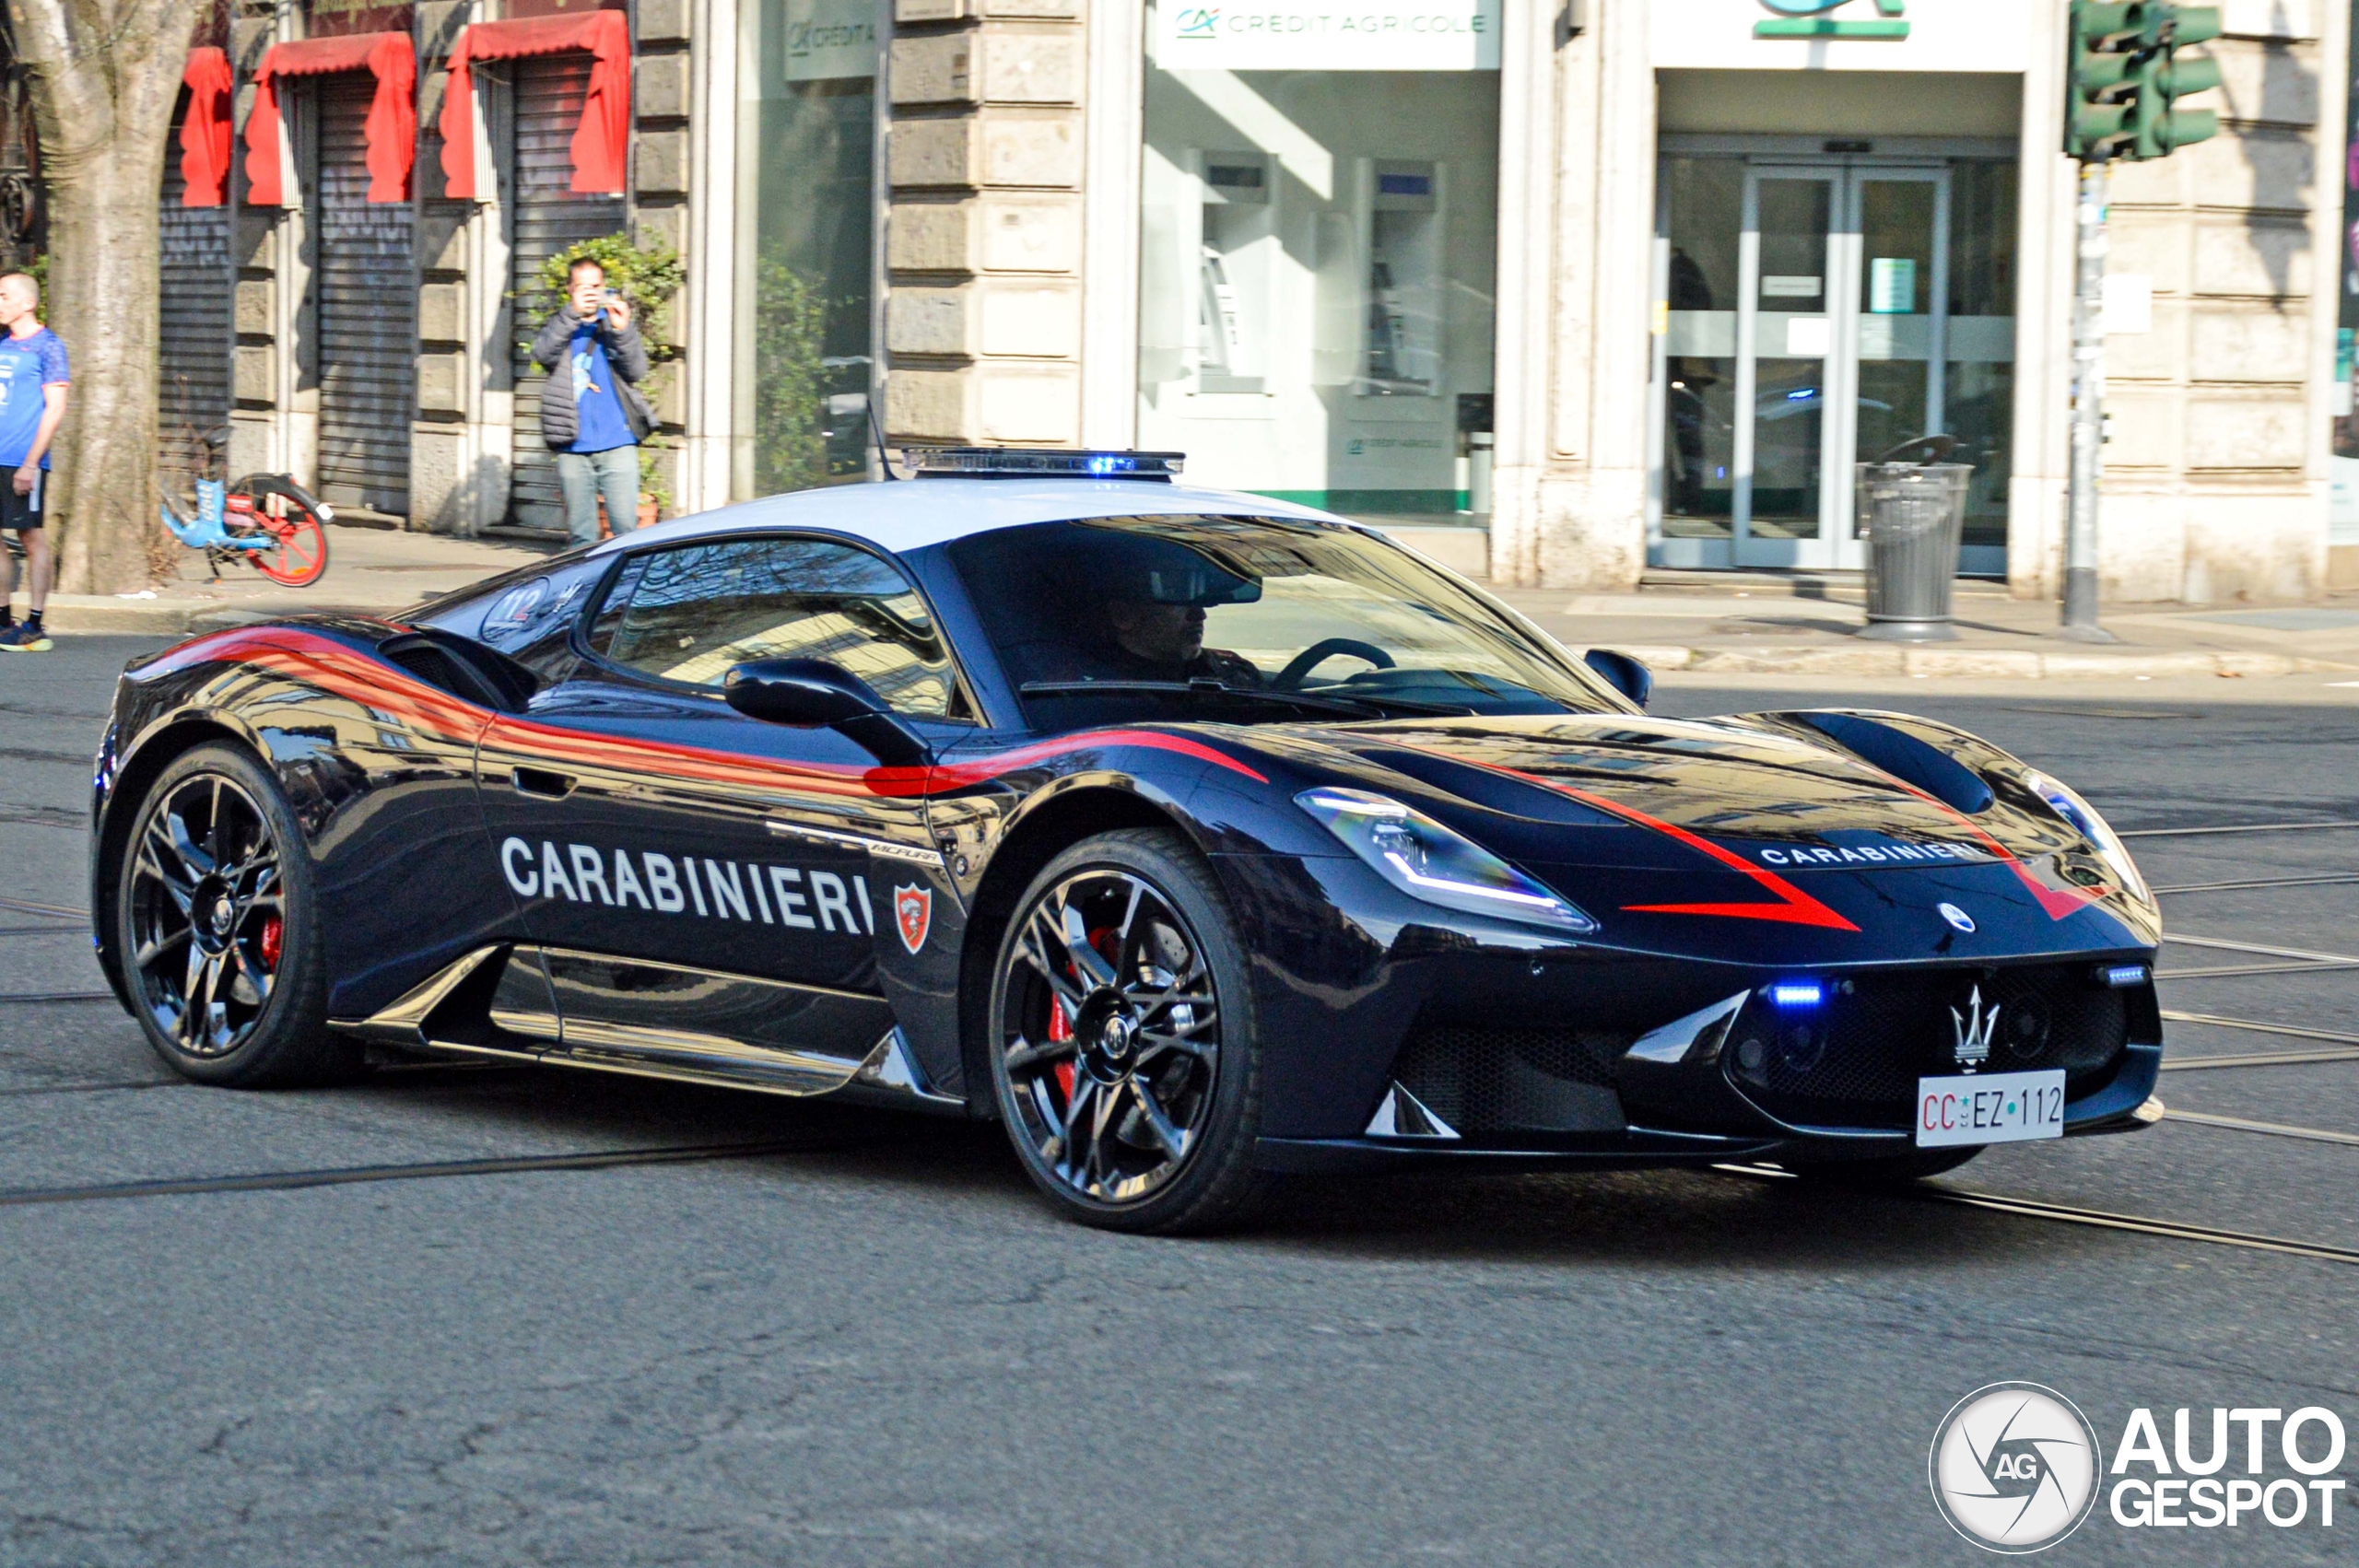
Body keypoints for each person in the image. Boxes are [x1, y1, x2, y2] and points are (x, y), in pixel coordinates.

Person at [532, 257, 651, 547]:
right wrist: (572, 314)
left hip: (618, 442)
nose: (591, 293)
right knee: (581, 538)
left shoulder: (613, 325)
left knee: (626, 533)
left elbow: (637, 371)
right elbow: (542, 354)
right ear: (570, 289)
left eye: (596, 286)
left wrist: (623, 331)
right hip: (573, 444)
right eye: (583, 287)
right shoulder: (560, 327)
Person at [0, 271, 67, 652]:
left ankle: (35, 622)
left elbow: (55, 408)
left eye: (4, 295)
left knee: (31, 537)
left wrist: (30, 463)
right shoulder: (3, 344)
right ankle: (3, 618)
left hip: (22, 459)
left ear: (27, 302)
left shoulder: (49, 347)